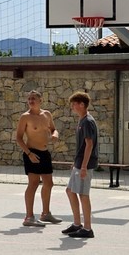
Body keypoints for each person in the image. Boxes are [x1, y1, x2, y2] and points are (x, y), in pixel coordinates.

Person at [14, 90, 62, 226]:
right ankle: (29, 217)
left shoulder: (46, 114)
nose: (30, 101)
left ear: (41, 100)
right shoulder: (25, 117)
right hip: (32, 153)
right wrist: (29, 154)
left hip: (44, 152)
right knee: (33, 184)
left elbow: (53, 129)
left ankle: (46, 214)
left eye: (33, 98)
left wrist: (55, 135)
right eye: (29, 99)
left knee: (49, 183)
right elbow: (18, 137)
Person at [63, 90, 98, 239]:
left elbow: (89, 145)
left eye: (74, 104)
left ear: (82, 105)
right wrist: (76, 163)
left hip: (86, 164)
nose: (72, 107)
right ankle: (77, 224)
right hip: (79, 163)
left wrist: (83, 166)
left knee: (83, 194)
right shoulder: (82, 120)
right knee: (70, 191)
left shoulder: (88, 121)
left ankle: (88, 228)